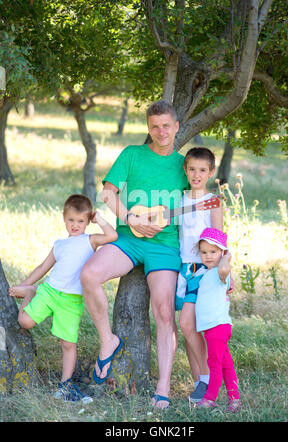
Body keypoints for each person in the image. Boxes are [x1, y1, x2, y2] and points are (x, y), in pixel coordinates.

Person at [80, 100, 188, 408]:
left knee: (165, 312)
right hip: (128, 238)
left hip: (165, 246)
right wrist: (131, 218)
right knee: (89, 275)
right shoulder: (132, 154)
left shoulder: (183, 167)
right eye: (155, 126)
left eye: (166, 125)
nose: (161, 131)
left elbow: (195, 206)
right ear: (148, 128)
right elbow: (107, 193)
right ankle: (108, 341)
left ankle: (163, 387)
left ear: (177, 126)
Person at [9, 194, 117, 403]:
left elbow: (111, 236)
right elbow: (43, 267)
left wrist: (99, 219)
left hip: (71, 301)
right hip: (48, 291)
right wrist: (23, 286)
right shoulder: (59, 244)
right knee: (25, 321)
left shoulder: (90, 240)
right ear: (63, 218)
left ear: (87, 221)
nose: (75, 225)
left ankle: (65, 384)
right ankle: (30, 292)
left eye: (80, 221)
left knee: (67, 343)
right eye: (71, 220)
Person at [175, 147, 223, 404]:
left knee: (187, 324)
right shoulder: (180, 200)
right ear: (185, 170)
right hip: (183, 267)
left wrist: (226, 269)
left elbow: (221, 237)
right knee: (188, 329)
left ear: (211, 172)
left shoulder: (213, 201)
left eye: (202, 170)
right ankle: (199, 384)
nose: (196, 174)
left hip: (204, 270)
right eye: (192, 169)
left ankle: (207, 378)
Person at [194, 227, 241, 412]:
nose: (208, 256)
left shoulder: (222, 273)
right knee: (225, 364)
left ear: (222, 252)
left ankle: (210, 398)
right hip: (213, 328)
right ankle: (234, 399)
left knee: (214, 363)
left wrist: (227, 257)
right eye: (204, 252)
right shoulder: (206, 273)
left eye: (213, 252)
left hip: (218, 326)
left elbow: (223, 268)